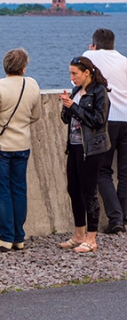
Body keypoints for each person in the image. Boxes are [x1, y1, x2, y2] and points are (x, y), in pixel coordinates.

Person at [0, 49, 42, 252]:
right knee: (19, 190)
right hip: (22, 145)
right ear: (24, 68)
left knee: (3, 192)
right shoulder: (32, 84)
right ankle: (19, 237)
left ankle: (6, 237)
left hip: (1, 147)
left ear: (5, 66)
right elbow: (35, 115)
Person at [59, 56, 111, 253]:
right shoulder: (76, 91)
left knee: (89, 191)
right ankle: (78, 234)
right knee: (74, 189)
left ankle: (91, 238)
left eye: (75, 73)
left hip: (92, 148)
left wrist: (73, 107)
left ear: (87, 72)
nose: (72, 78)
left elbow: (98, 120)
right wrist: (66, 106)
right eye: (70, 73)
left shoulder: (99, 92)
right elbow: (67, 119)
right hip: (74, 145)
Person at [83, 29, 127, 234]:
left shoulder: (90, 56)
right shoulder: (124, 61)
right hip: (126, 119)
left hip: (107, 120)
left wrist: (91, 52)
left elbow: (78, 79)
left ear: (94, 44)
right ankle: (124, 216)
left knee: (102, 171)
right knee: (125, 173)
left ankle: (115, 219)